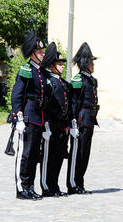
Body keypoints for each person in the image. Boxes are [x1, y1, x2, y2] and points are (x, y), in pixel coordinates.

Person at [11, 30, 50, 200]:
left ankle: (30, 186)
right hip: (27, 117)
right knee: (24, 155)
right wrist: (17, 115)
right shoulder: (26, 69)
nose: (43, 54)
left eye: (43, 52)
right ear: (32, 53)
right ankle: (21, 188)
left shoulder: (41, 72)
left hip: (38, 118)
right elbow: (17, 94)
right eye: (40, 52)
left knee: (34, 155)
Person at [67, 42, 100, 195]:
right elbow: (74, 102)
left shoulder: (91, 80)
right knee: (77, 153)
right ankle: (72, 184)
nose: (93, 65)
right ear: (85, 63)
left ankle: (80, 182)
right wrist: (73, 122)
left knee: (85, 154)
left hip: (90, 119)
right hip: (81, 119)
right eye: (91, 62)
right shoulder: (78, 80)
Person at [40, 42, 70, 197]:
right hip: (52, 124)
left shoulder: (62, 82)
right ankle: (46, 187)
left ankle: (55, 185)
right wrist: (46, 125)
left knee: (58, 157)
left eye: (62, 64)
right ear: (52, 66)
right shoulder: (50, 81)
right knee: (49, 158)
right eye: (59, 64)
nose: (62, 66)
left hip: (62, 125)